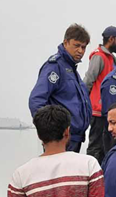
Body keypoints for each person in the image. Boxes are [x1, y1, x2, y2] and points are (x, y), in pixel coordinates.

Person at [29, 24, 93, 153]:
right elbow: (36, 100)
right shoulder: (55, 67)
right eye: (76, 46)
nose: (80, 51)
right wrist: (50, 134)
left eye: (83, 47)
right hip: (59, 139)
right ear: (66, 42)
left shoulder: (72, 70)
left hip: (75, 137)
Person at [83, 26, 116, 165]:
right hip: (98, 113)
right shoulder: (99, 56)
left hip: (108, 112)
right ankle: (92, 176)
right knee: (96, 147)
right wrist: (86, 105)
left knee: (106, 147)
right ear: (111, 39)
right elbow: (88, 81)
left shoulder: (111, 58)